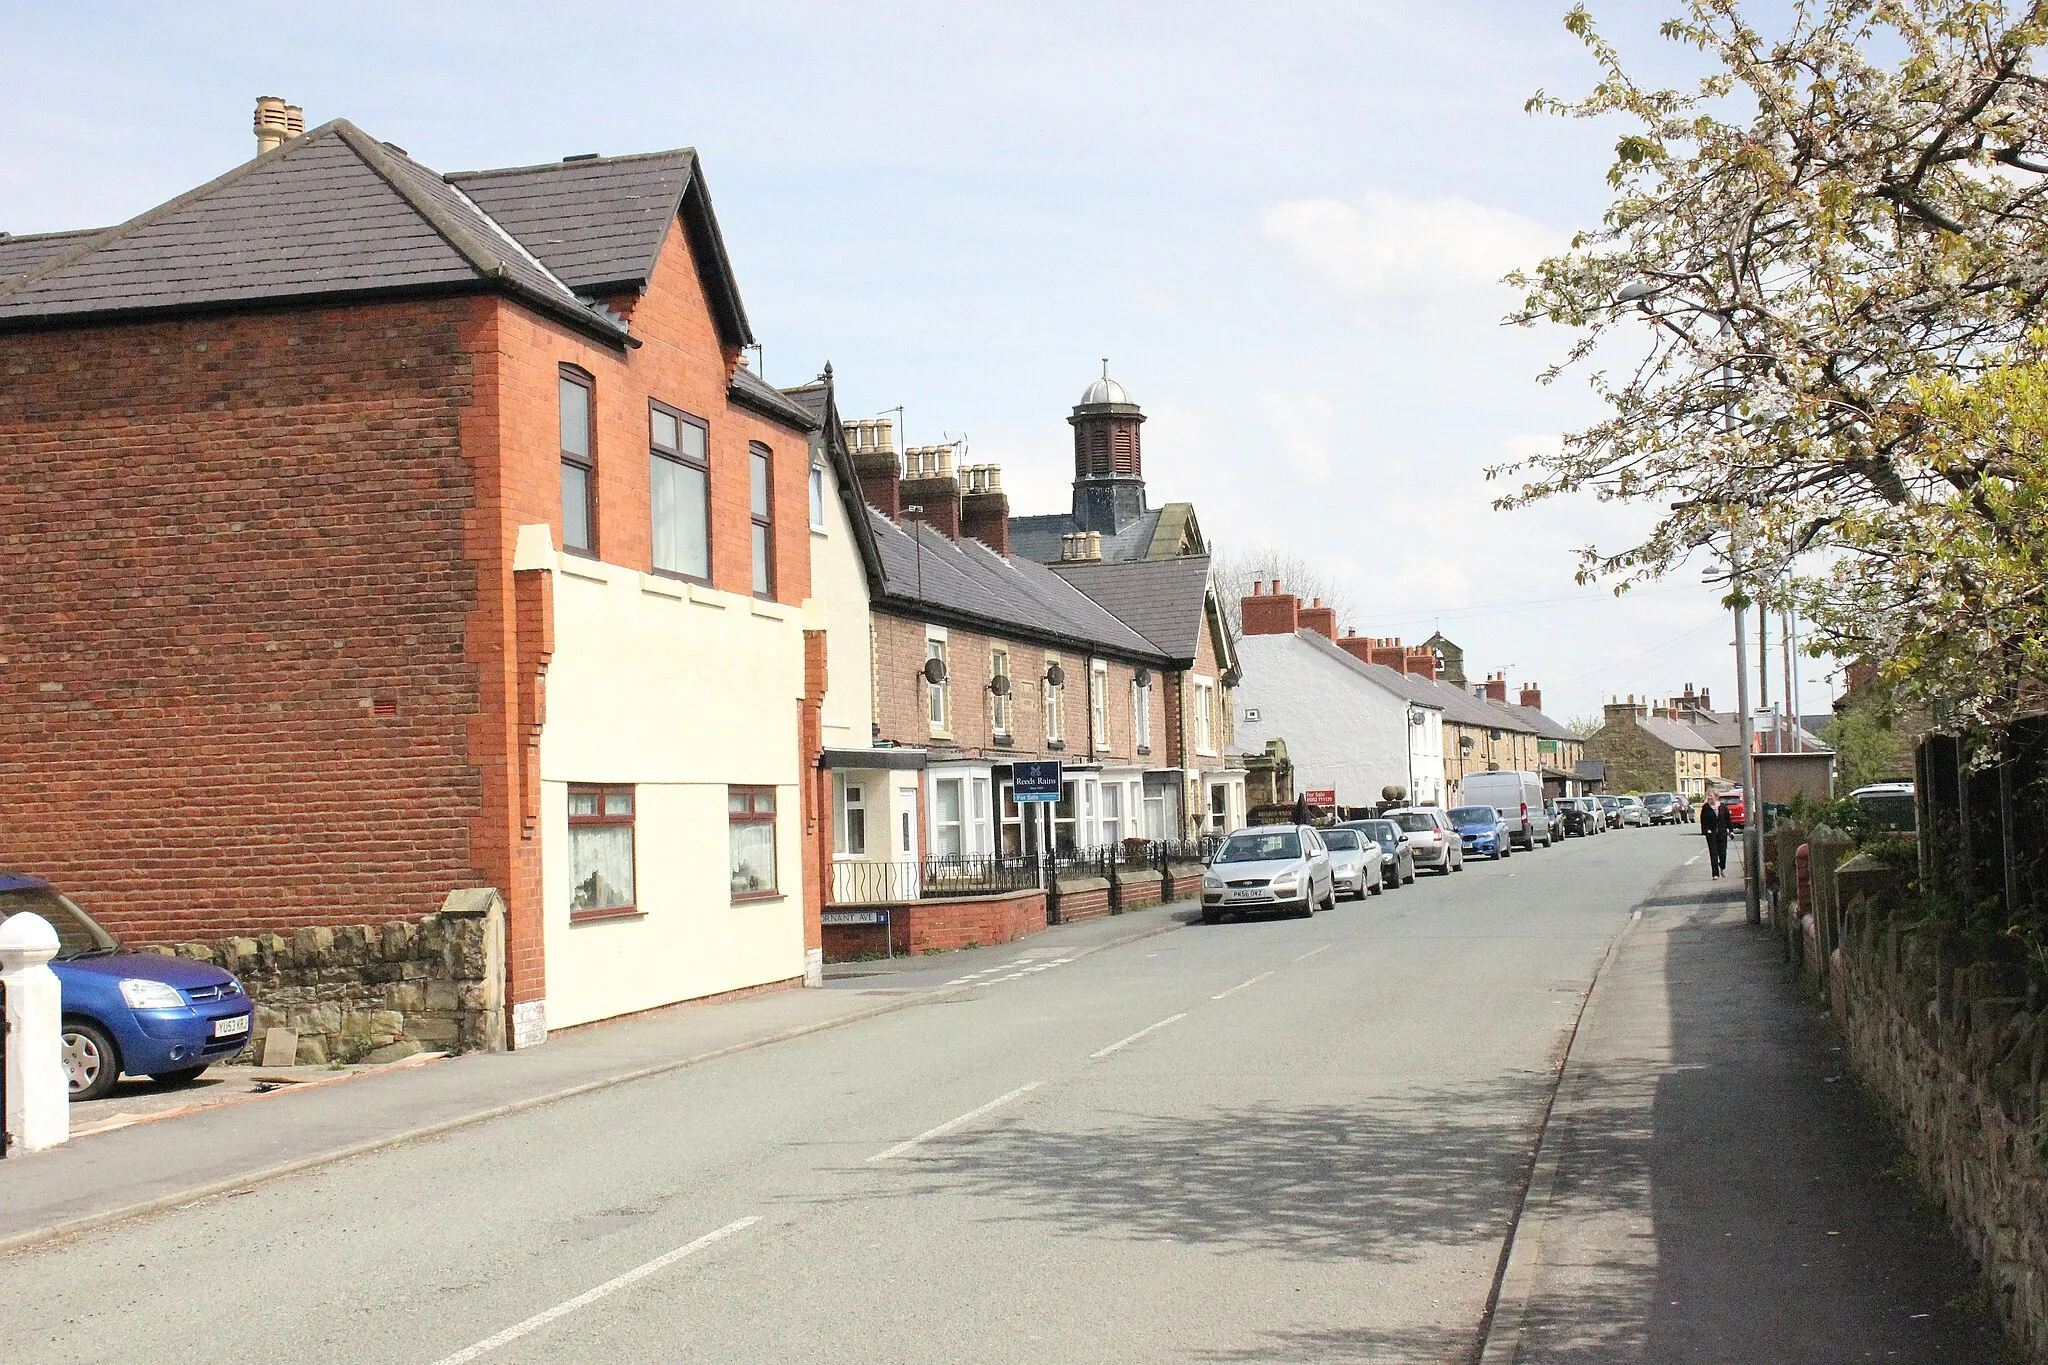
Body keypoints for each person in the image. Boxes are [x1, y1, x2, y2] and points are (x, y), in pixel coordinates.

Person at [1699, 789, 1732, 878]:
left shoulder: (1723, 807)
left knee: (1722, 853)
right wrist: (1705, 831)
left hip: (1722, 833)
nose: (1709, 798)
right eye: (1708, 796)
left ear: (1716, 797)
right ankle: (1715, 873)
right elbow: (1703, 820)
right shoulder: (1705, 807)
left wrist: (1731, 831)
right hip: (1711, 833)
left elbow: (1728, 820)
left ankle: (1722, 867)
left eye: (1711, 796)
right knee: (1713, 853)